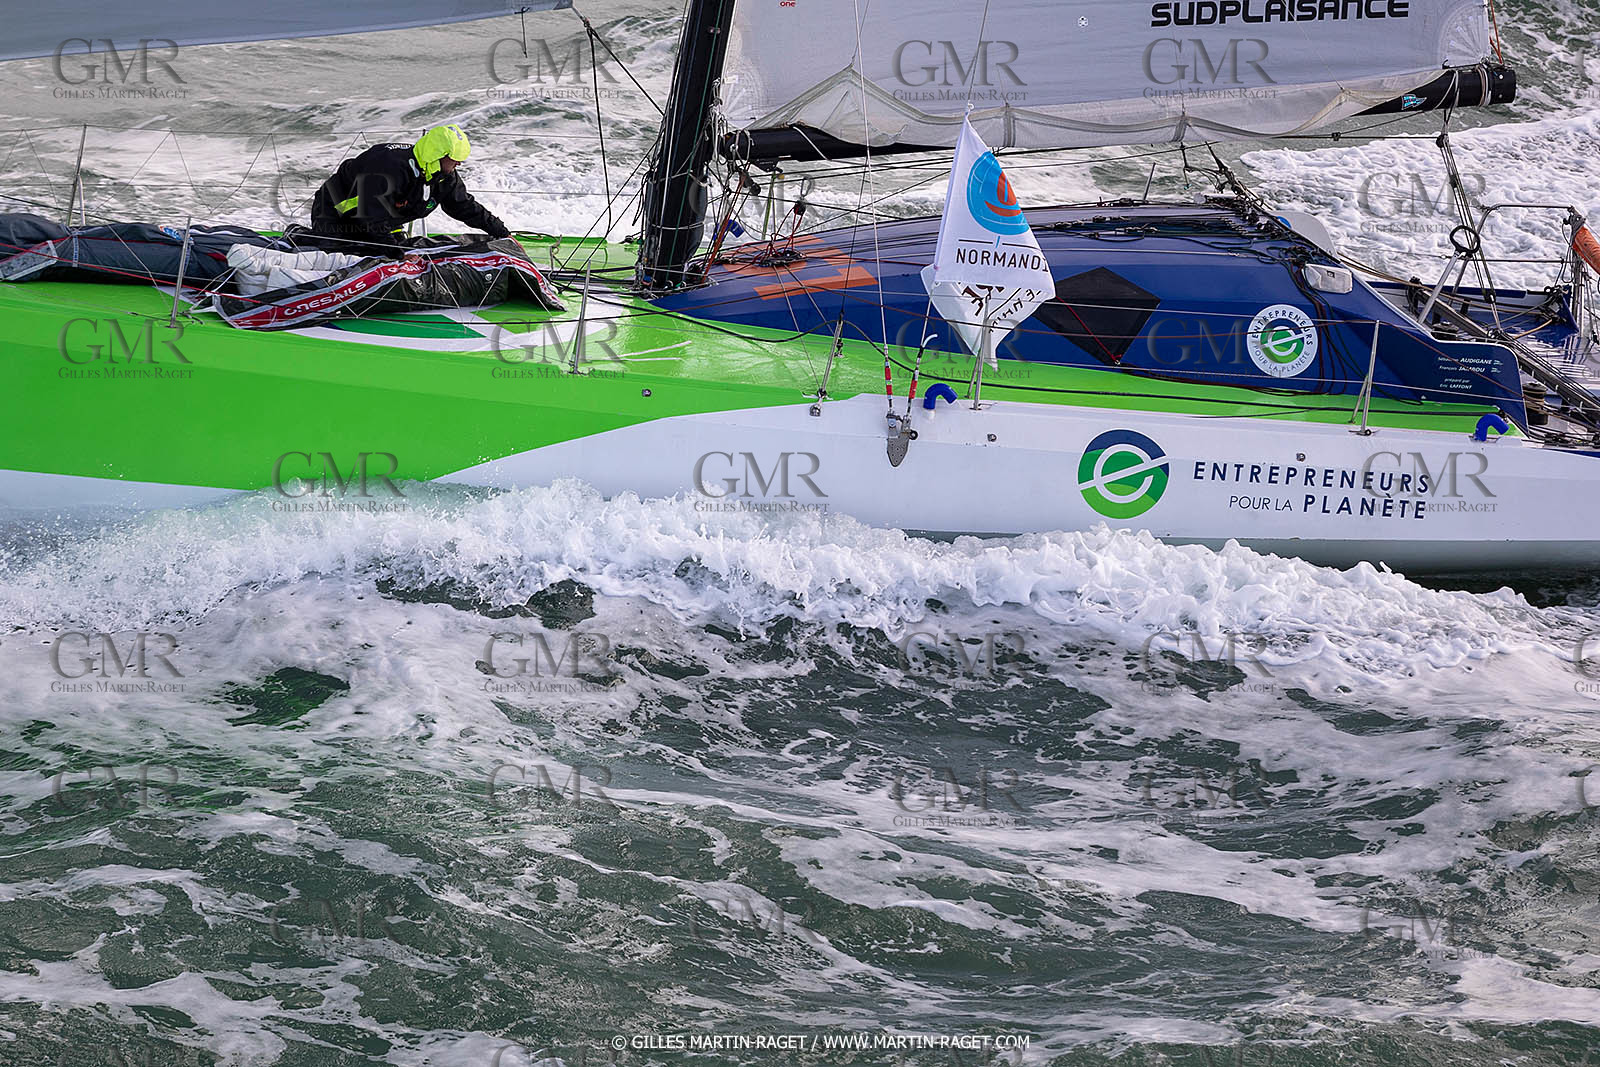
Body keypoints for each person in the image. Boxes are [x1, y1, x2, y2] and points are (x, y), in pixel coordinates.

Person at [306, 124, 511, 255]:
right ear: (438, 154)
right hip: (336, 216)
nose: (459, 164)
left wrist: (502, 233)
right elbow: (370, 215)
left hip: (383, 222)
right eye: (455, 159)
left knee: (397, 257)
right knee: (339, 259)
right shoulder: (390, 166)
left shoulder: (443, 175)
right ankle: (300, 242)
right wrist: (398, 254)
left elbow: (464, 206)